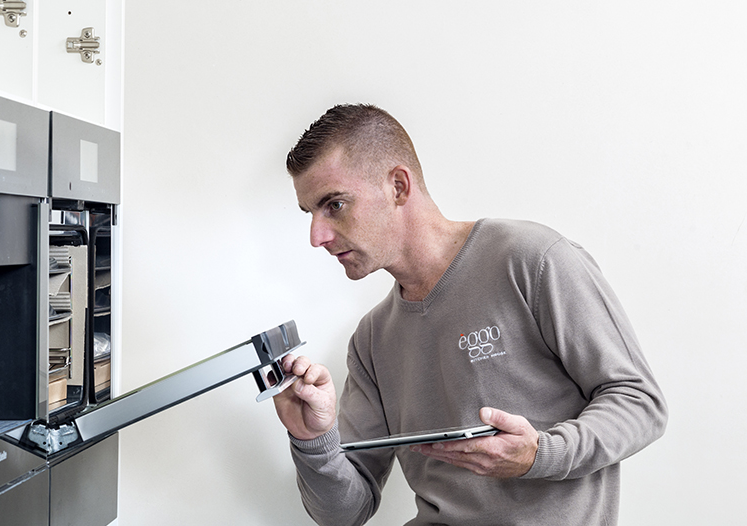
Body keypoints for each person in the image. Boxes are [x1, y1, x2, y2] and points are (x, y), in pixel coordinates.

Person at [273, 103, 668, 525]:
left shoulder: (531, 260)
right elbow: (344, 514)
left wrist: (540, 454)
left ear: (398, 186)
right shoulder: (372, 339)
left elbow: (639, 402)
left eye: (333, 204)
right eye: (310, 213)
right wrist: (313, 439)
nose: (317, 236)